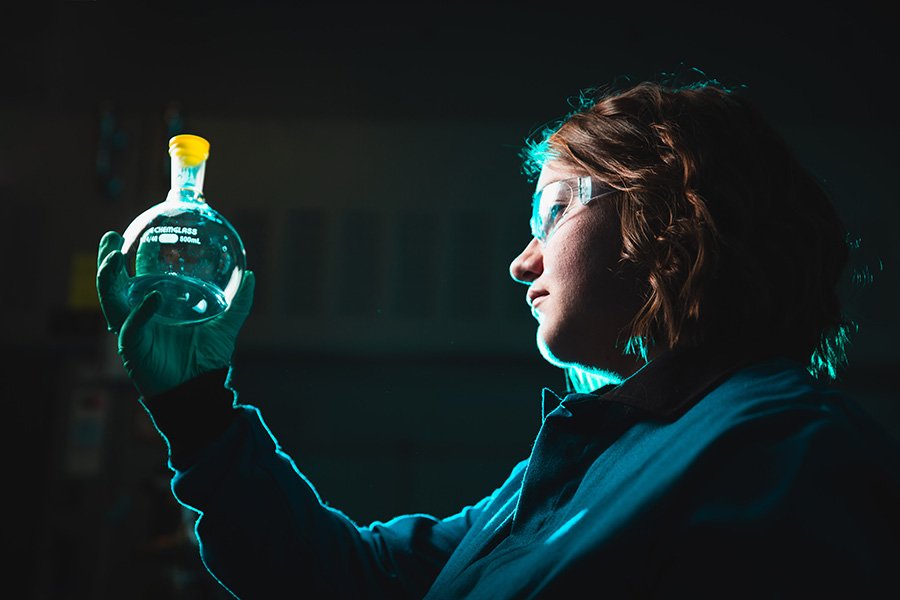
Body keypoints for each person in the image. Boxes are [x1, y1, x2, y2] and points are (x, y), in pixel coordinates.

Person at [96, 76, 900, 599]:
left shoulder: (790, 453)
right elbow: (345, 580)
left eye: (552, 211)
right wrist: (196, 407)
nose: (522, 263)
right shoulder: (573, 470)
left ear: (668, 214)